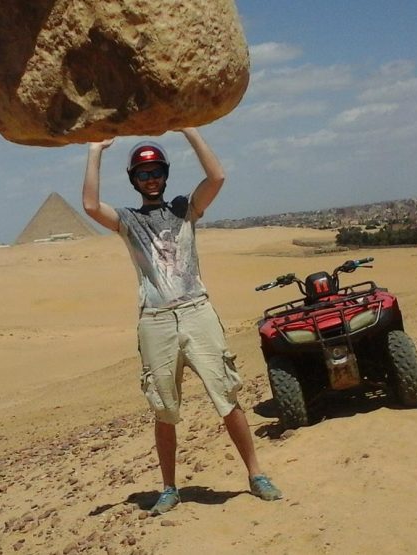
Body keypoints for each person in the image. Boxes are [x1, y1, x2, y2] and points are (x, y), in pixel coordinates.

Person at [82, 127, 282, 516]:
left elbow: (217, 177)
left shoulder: (185, 209)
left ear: (165, 174)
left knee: (226, 396)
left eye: (156, 171)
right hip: (155, 320)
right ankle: (170, 487)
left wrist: (189, 128)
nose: (150, 178)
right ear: (134, 180)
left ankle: (256, 474)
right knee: (164, 408)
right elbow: (91, 206)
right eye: (143, 174)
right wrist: (95, 151)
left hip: (196, 311)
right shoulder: (127, 220)